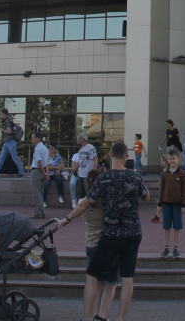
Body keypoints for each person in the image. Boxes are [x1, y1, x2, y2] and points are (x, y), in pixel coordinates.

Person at [58, 141, 149, 321]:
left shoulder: (103, 179)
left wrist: (68, 219)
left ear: (110, 155)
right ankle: (120, 318)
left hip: (112, 234)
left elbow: (85, 204)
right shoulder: (135, 176)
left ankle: (88, 317)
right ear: (126, 156)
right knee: (127, 277)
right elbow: (146, 197)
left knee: (92, 274)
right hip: (133, 232)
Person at [82, 169, 119, 321]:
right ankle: (101, 315)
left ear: (87, 183)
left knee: (95, 282)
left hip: (91, 244)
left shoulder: (83, 203)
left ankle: (90, 316)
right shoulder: (106, 203)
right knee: (110, 283)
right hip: (107, 245)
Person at [156, 149, 185, 259]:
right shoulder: (165, 174)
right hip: (166, 204)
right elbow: (161, 189)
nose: (172, 161)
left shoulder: (182, 174)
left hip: (177, 205)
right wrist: (160, 204)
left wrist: (184, 204)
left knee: (177, 227)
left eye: (173, 159)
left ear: (178, 159)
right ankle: (166, 248)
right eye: (170, 159)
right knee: (166, 227)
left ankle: (176, 249)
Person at [0, 108, 25, 177]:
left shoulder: (7, 120)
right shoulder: (9, 120)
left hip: (10, 142)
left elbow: (9, 131)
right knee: (2, 157)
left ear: (3, 113)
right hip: (7, 142)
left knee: (14, 157)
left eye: (1, 113)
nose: (0, 115)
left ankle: (21, 172)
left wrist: (3, 130)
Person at [29, 132, 49, 219]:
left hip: (37, 170)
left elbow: (39, 162)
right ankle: (42, 212)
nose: (32, 139)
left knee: (36, 193)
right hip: (43, 170)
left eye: (33, 138)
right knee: (40, 192)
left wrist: (44, 173)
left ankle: (38, 212)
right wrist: (46, 173)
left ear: (38, 139)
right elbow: (47, 163)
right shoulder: (45, 148)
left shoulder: (38, 149)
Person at [74, 131, 98, 196]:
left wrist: (93, 173)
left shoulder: (90, 147)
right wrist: (71, 172)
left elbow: (95, 160)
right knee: (81, 193)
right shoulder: (81, 149)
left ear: (82, 139)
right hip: (81, 174)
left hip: (87, 174)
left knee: (88, 192)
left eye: (77, 138)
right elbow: (78, 162)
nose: (77, 140)